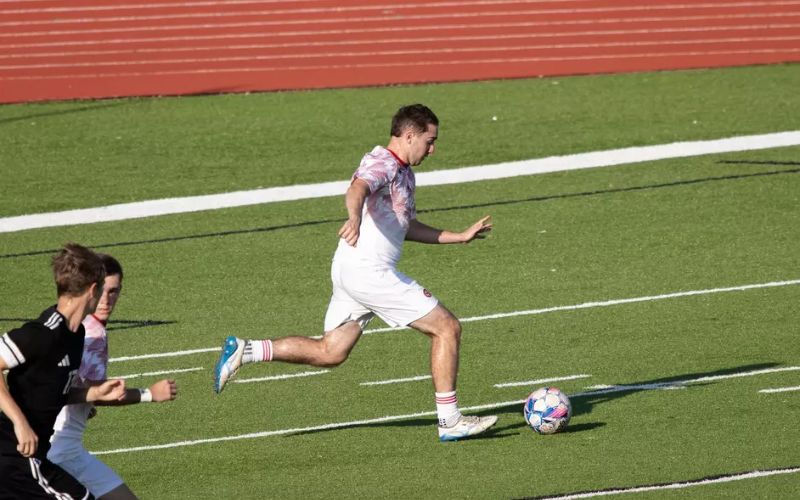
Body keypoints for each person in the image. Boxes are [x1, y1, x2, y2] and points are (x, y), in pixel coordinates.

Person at [214, 104, 497, 442]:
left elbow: (405, 227)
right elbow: (357, 188)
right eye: (429, 140)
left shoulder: (405, 172)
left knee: (330, 352)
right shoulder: (383, 162)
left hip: (351, 270)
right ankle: (450, 420)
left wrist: (458, 237)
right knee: (447, 328)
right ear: (409, 135)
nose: (433, 149)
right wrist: (353, 218)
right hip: (369, 273)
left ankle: (247, 350)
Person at [0, 243, 127, 499]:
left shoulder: (76, 334)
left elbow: (52, 393)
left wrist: (91, 394)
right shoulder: (43, 333)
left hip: (32, 456)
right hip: (13, 457)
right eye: (102, 288)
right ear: (93, 289)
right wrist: (20, 422)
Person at [48, 253, 178, 500]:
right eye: (103, 291)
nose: (106, 300)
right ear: (90, 289)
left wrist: (84, 404)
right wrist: (150, 394)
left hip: (66, 449)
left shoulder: (70, 324)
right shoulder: (94, 333)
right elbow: (100, 394)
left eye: (114, 291)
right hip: (60, 451)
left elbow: (69, 386)